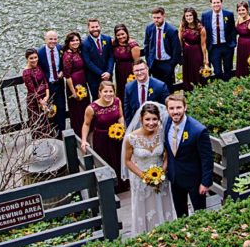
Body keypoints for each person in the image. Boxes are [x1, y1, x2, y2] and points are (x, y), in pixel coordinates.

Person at [122, 101, 176, 236]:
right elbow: (127, 161)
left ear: (159, 119)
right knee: (145, 209)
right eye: (147, 119)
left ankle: (166, 233)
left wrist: (162, 171)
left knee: (162, 205)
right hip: (141, 180)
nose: (151, 123)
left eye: (154, 119)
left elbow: (167, 156)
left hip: (161, 179)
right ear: (141, 119)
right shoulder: (131, 138)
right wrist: (143, 176)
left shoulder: (162, 133)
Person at [163, 92, 214, 217]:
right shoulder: (167, 123)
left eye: (179, 107)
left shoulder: (198, 130)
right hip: (175, 179)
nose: (175, 112)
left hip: (195, 181)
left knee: (200, 215)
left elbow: (207, 158)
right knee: (181, 215)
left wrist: (206, 182)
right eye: (172, 108)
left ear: (185, 107)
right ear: (167, 109)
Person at [80, 80, 126, 193]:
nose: (108, 94)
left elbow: (120, 116)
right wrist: (84, 140)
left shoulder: (117, 101)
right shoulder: (92, 108)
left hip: (117, 137)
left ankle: (122, 185)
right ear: (100, 92)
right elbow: (86, 124)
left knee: (119, 160)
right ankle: (109, 189)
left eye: (111, 91)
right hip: (101, 138)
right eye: (105, 91)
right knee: (105, 162)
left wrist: (121, 127)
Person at [143, 6, 181, 92]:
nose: (156, 20)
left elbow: (176, 50)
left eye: (158, 18)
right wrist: (148, 60)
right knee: (155, 87)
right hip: (154, 62)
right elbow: (146, 45)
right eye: (154, 18)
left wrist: (172, 64)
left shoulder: (171, 30)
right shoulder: (150, 28)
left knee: (168, 87)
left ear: (164, 16)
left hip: (167, 62)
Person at [36, 30, 66, 136]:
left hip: (59, 84)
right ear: (45, 39)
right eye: (50, 39)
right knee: (50, 110)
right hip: (47, 87)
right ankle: (52, 133)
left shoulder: (60, 49)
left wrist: (62, 71)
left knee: (61, 108)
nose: (53, 41)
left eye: (55, 39)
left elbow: (64, 64)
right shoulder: (40, 53)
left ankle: (63, 133)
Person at [201, 0, 236, 81]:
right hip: (214, 47)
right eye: (214, 3)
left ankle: (227, 87)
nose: (216, 4)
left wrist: (233, 43)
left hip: (227, 45)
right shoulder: (205, 15)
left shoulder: (229, 14)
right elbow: (202, 31)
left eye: (218, 2)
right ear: (211, 4)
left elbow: (233, 30)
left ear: (221, 3)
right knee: (217, 71)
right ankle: (220, 87)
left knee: (228, 68)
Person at [123, 59, 168, 126]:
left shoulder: (160, 86)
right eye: (136, 70)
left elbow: (164, 110)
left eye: (142, 69)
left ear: (147, 69)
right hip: (136, 124)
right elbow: (127, 111)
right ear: (133, 72)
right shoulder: (129, 87)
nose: (139, 73)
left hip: (155, 124)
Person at [61, 31, 90, 135]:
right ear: (68, 42)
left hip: (82, 82)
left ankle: (87, 127)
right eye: (72, 41)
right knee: (77, 108)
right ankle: (78, 131)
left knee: (85, 105)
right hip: (74, 84)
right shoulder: (67, 56)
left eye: (77, 40)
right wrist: (73, 91)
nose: (75, 42)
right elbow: (67, 76)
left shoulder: (78, 51)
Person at [21, 48, 53, 139]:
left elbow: (44, 81)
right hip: (34, 101)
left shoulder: (38, 67)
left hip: (44, 97)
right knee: (38, 122)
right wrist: (41, 101)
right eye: (31, 58)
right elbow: (32, 90)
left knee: (47, 121)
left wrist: (47, 95)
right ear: (27, 59)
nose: (34, 60)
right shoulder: (26, 72)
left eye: (35, 57)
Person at [179, 6, 209, 90]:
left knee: (197, 72)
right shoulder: (182, 26)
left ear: (194, 16)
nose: (189, 17)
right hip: (186, 53)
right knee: (187, 72)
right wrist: (180, 54)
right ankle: (188, 91)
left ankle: (199, 90)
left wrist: (205, 59)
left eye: (190, 15)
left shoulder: (201, 29)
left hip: (196, 52)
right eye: (187, 16)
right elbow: (180, 41)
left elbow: (203, 45)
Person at [81, 18, 114, 88]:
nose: (95, 29)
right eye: (92, 27)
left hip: (108, 76)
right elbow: (88, 62)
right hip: (94, 77)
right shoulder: (85, 44)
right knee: (96, 97)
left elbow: (111, 56)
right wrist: (102, 74)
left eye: (97, 26)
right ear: (88, 28)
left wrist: (109, 72)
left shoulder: (107, 39)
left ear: (100, 26)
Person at [111, 23, 142, 96]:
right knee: (120, 90)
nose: (121, 37)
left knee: (130, 90)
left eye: (122, 34)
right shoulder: (114, 43)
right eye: (118, 35)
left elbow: (137, 62)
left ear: (127, 33)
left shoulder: (133, 45)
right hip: (119, 70)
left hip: (129, 70)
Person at [233, 0, 250, 77]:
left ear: (247, 10)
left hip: (249, 46)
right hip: (241, 45)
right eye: (239, 10)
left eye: (243, 10)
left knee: (249, 65)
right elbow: (235, 29)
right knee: (242, 63)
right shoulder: (238, 18)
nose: (241, 12)